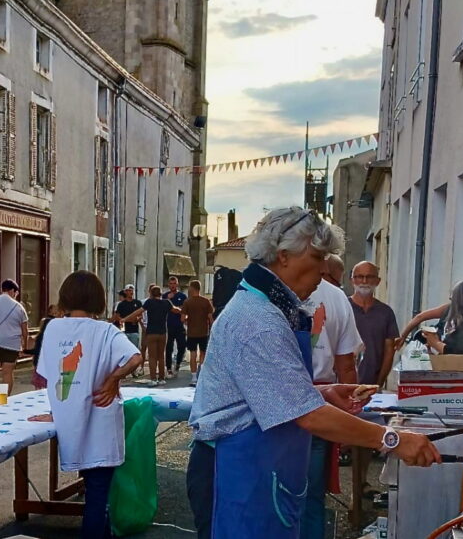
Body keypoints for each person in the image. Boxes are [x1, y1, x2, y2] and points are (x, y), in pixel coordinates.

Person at [186, 208, 439, 539]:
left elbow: (268, 392)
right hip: (235, 473)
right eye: (317, 257)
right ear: (283, 256)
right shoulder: (258, 319)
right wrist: (392, 439)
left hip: (262, 470)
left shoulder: (272, 307)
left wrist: (321, 392)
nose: (323, 271)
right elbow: (307, 416)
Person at [32, 271, 142, 538]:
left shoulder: (53, 328)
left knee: (94, 493)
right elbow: (135, 357)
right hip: (101, 424)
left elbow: (48, 375)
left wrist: (54, 409)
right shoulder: (104, 330)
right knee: (97, 497)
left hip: (72, 424)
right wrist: (113, 379)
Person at [302, 254, 362, 539]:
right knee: (312, 496)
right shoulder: (337, 298)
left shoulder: (277, 289)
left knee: (273, 491)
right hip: (319, 403)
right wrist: (351, 420)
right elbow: (346, 366)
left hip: (302, 398)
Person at [400, 279, 463, 355]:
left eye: (453, 298)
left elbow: (461, 351)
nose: (451, 300)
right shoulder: (452, 311)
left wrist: (435, 343)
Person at [348, 261, 400, 387]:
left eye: (369, 276)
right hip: (342, 384)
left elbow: (389, 351)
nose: (364, 281)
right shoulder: (342, 307)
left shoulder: (386, 312)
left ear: (378, 281)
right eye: (359, 276)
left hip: (372, 386)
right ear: (352, 280)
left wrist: (379, 384)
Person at [124, 285, 171, 385]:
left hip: (151, 332)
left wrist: (126, 319)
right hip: (163, 332)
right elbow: (176, 310)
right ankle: (162, 378)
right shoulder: (166, 303)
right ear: (160, 294)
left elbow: (138, 312)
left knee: (152, 357)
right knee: (161, 356)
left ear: (151, 294)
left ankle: (153, 379)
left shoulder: (149, 302)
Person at [180, 279, 214, 385]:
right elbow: (210, 317)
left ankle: (194, 377)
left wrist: (187, 321)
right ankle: (201, 373)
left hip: (192, 332)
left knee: (193, 354)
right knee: (203, 353)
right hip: (204, 331)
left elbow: (182, 318)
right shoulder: (205, 301)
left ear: (192, 288)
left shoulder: (187, 302)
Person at [31, 304, 61, 389]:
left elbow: (37, 348)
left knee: (39, 383)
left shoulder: (41, 335)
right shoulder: (52, 330)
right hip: (46, 361)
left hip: (41, 361)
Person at [164, 276, 188, 378]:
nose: (173, 286)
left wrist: (177, 309)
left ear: (177, 284)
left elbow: (185, 309)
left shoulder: (182, 296)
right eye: (171, 283)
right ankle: (169, 368)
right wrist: (167, 300)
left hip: (179, 325)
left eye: (174, 284)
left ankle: (177, 364)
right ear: (168, 285)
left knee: (182, 346)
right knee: (169, 348)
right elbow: (162, 307)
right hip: (168, 326)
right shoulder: (165, 296)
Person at [111, 284, 143, 352]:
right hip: (124, 330)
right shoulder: (121, 304)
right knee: (124, 349)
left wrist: (137, 319)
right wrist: (123, 321)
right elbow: (117, 316)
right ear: (125, 292)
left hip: (134, 330)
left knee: (134, 350)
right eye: (129, 290)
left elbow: (140, 315)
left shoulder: (137, 303)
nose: (131, 292)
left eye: (132, 290)